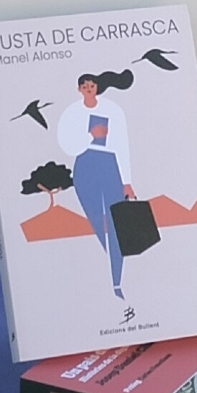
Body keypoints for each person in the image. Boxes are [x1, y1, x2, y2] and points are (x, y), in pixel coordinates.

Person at [56, 72, 136, 297]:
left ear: (97, 87)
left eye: (92, 85)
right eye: (84, 86)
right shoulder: (72, 112)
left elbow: (122, 145)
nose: (89, 88)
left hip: (110, 164)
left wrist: (126, 181)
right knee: (96, 221)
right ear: (79, 89)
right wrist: (90, 136)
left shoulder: (113, 110)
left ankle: (117, 281)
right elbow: (67, 145)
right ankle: (108, 272)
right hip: (85, 165)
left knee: (116, 221)